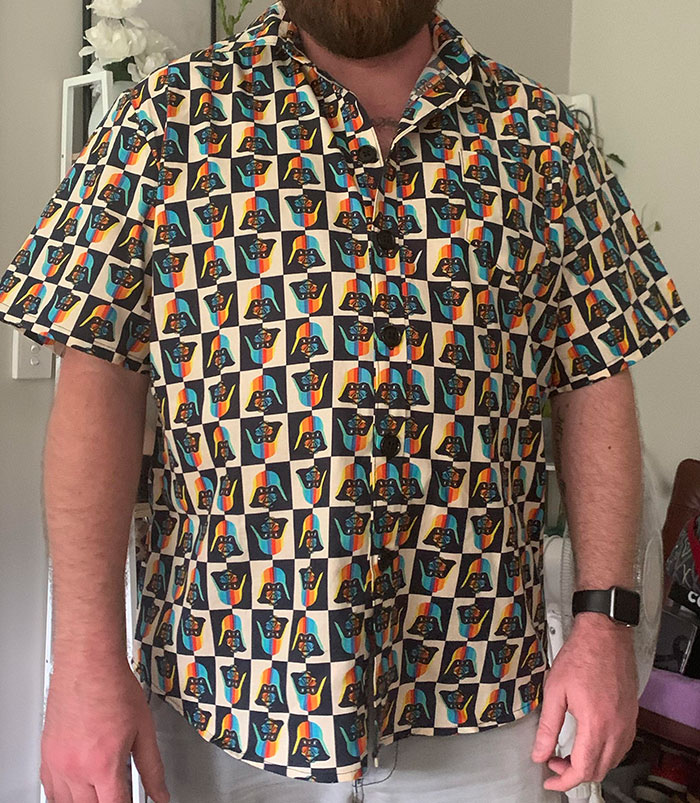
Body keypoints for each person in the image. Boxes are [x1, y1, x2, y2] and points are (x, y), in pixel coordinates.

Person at [0, 1, 690, 801]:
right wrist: (84, 663)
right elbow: (99, 382)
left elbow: (595, 376)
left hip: (478, 686)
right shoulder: (164, 123)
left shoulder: (544, 141)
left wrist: (605, 624)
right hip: (227, 689)